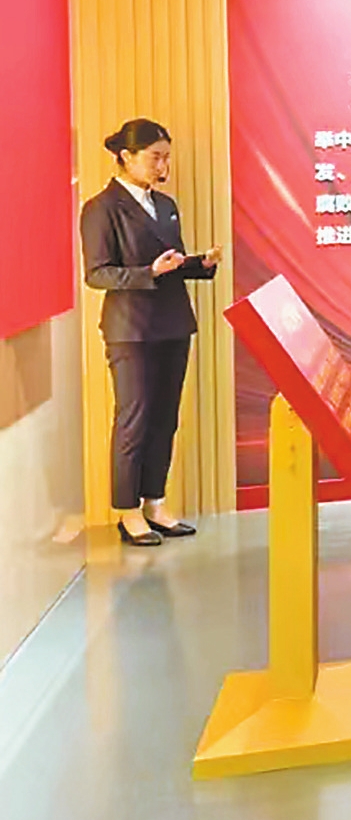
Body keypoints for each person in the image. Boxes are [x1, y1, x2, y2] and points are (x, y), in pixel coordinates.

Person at [79, 119, 221, 547]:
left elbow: (170, 264)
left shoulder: (166, 204)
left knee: (165, 418)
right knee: (134, 419)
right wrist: (148, 272)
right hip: (131, 329)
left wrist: (200, 264)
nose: (163, 166)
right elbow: (97, 273)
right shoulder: (101, 207)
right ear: (127, 156)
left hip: (173, 323)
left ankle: (155, 502)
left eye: (166, 158)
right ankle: (127, 512)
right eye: (155, 157)